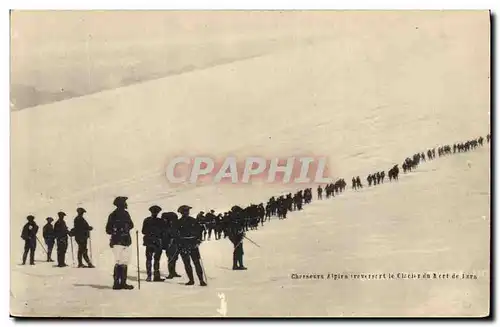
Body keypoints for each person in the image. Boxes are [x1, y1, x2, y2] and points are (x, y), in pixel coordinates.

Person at [106, 196, 134, 290]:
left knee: (123, 262)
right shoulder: (115, 215)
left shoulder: (123, 214)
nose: (125, 205)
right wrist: (117, 230)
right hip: (119, 241)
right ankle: (117, 283)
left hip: (123, 241)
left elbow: (131, 225)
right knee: (120, 262)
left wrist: (125, 227)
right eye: (124, 203)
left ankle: (121, 283)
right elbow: (108, 230)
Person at [177, 205, 207, 286]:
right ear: (181, 213)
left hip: (193, 244)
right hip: (183, 245)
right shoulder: (178, 222)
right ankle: (191, 280)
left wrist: (198, 241)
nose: (186, 213)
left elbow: (199, 231)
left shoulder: (194, 220)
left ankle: (201, 280)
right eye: (184, 211)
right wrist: (180, 245)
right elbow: (176, 235)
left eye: (187, 211)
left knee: (197, 263)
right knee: (187, 264)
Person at [142, 205, 165, 282]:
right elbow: (163, 232)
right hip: (158, 242)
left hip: (149, 242)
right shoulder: (161, 221)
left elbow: (143, 231)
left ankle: (149, 276)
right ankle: (156, 276)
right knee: (156, 260)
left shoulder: (147, 220)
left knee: (149, 259)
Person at [161, 211, 182, 279]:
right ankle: (171, 273)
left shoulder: (173, 225)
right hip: (170, 244)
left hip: (175, 243)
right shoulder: (167, 227)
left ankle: (173, 272)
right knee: (171, 258)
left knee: (174, 258)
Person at [227, 206, 247, 270]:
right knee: (238, 250)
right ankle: (237, 265)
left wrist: (242, 232)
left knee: (239, 250)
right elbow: (232, 228)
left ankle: (238, 265)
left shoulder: (235, 217)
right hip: (235, 237)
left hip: (237, 236)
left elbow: (239, 226)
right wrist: (239, 232)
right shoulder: (232, 218)